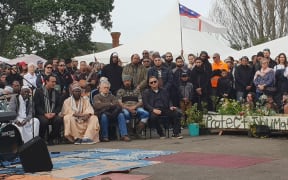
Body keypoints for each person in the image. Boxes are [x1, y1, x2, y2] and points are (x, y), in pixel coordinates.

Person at [34, 75, 63, 145]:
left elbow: (59, 105)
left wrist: (54, 113)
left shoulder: (56, 92)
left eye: (55, 82)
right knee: (44, 121)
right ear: (46, 81)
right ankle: (42, 139)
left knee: (58, 120)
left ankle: (51, 138)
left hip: (53, 113)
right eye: (52, 82)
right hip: (42, 114)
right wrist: (44, 114)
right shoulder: (39, 91)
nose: (54, 83)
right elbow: (37, 105)